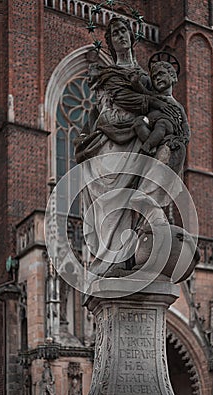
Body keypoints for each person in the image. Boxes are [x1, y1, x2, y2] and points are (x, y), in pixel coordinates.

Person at [75, 18, 184, 279]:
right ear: (110, 42)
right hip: (110, 142)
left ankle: (126, 257)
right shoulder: (108, 75)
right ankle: (108, 257)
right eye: (114, 33)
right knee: (108, 195)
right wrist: (153, 106)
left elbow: (160, 105)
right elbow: (114, 107)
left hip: (137, 144)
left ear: (132, 36)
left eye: (123, 31)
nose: (120, 36)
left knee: (131, 197)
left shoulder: (146, 78)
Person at [131, 61, 190, 171]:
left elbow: (185, 123)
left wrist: (185, 137)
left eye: (161, 74)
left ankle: (147, 146)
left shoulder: (177, 104)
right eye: (154, 77)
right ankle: (152, 145)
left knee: (161, 124)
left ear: (172, 76)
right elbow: (143, 91)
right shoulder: (154, 96)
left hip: (168, 124)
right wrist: (136, 83)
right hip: (150, 123)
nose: (157, 78)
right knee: (139, 121)